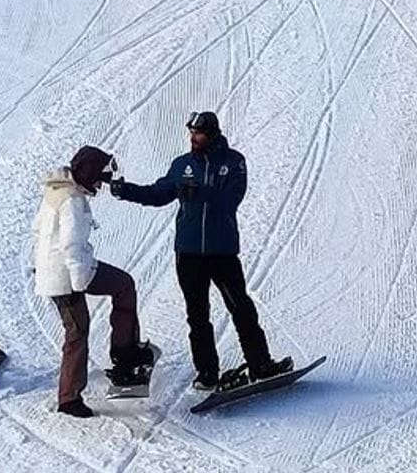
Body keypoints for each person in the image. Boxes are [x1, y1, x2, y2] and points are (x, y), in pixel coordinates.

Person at [110, 111, 291, 390]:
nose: (194, 138)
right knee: (197, 315)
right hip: (189, 253)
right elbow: (159, 194)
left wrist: (201, 192)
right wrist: (126, 191)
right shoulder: (182, 165)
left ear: (213, 133)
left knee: (241, 307)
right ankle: (207, 374)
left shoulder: (234, 162)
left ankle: (261, 364)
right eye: (192, 133)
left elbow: (232, 198)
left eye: (200, 133)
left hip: (222, 251)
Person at [33, 146, 156, 418]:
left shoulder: (58, 190)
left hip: (59, 271)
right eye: (99, 179)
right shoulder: (72, 202)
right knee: (77, 331)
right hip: (67, 276)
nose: (100, 185)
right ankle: (70, 398)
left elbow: (38, 230)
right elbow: (71, 245)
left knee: (123, 285)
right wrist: (79, 283)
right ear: (88, 175)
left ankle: (125, 354)